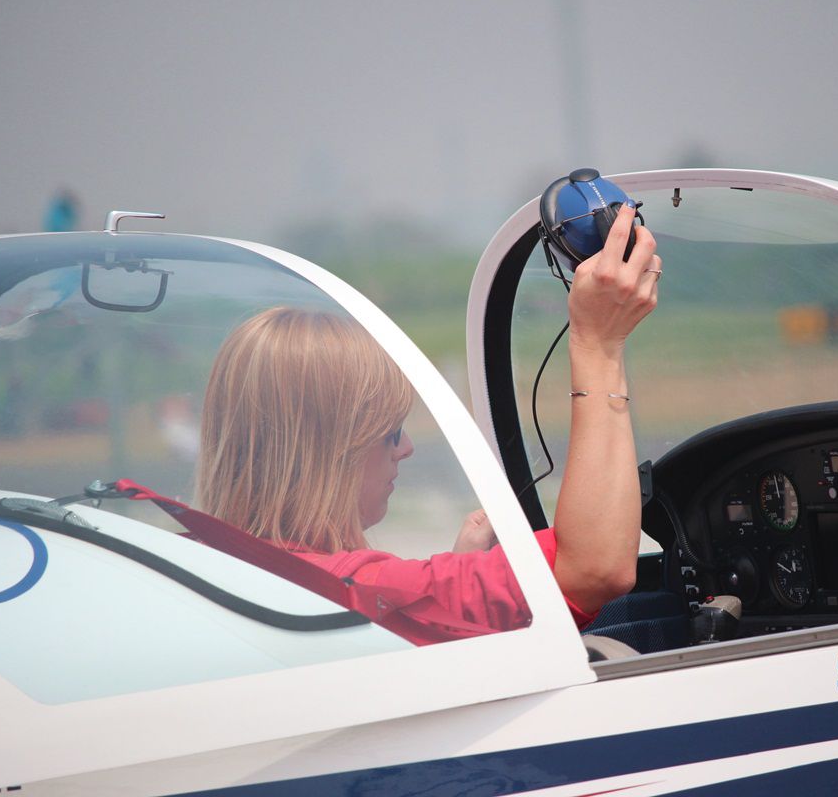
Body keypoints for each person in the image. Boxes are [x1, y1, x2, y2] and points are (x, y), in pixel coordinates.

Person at [194, 203, 660, 644]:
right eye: (389, 432)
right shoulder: (348, 592)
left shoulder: (205, 563)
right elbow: (594, 569)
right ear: (328, 453)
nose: (407, 448)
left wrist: (458, 572)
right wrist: (598, 343)